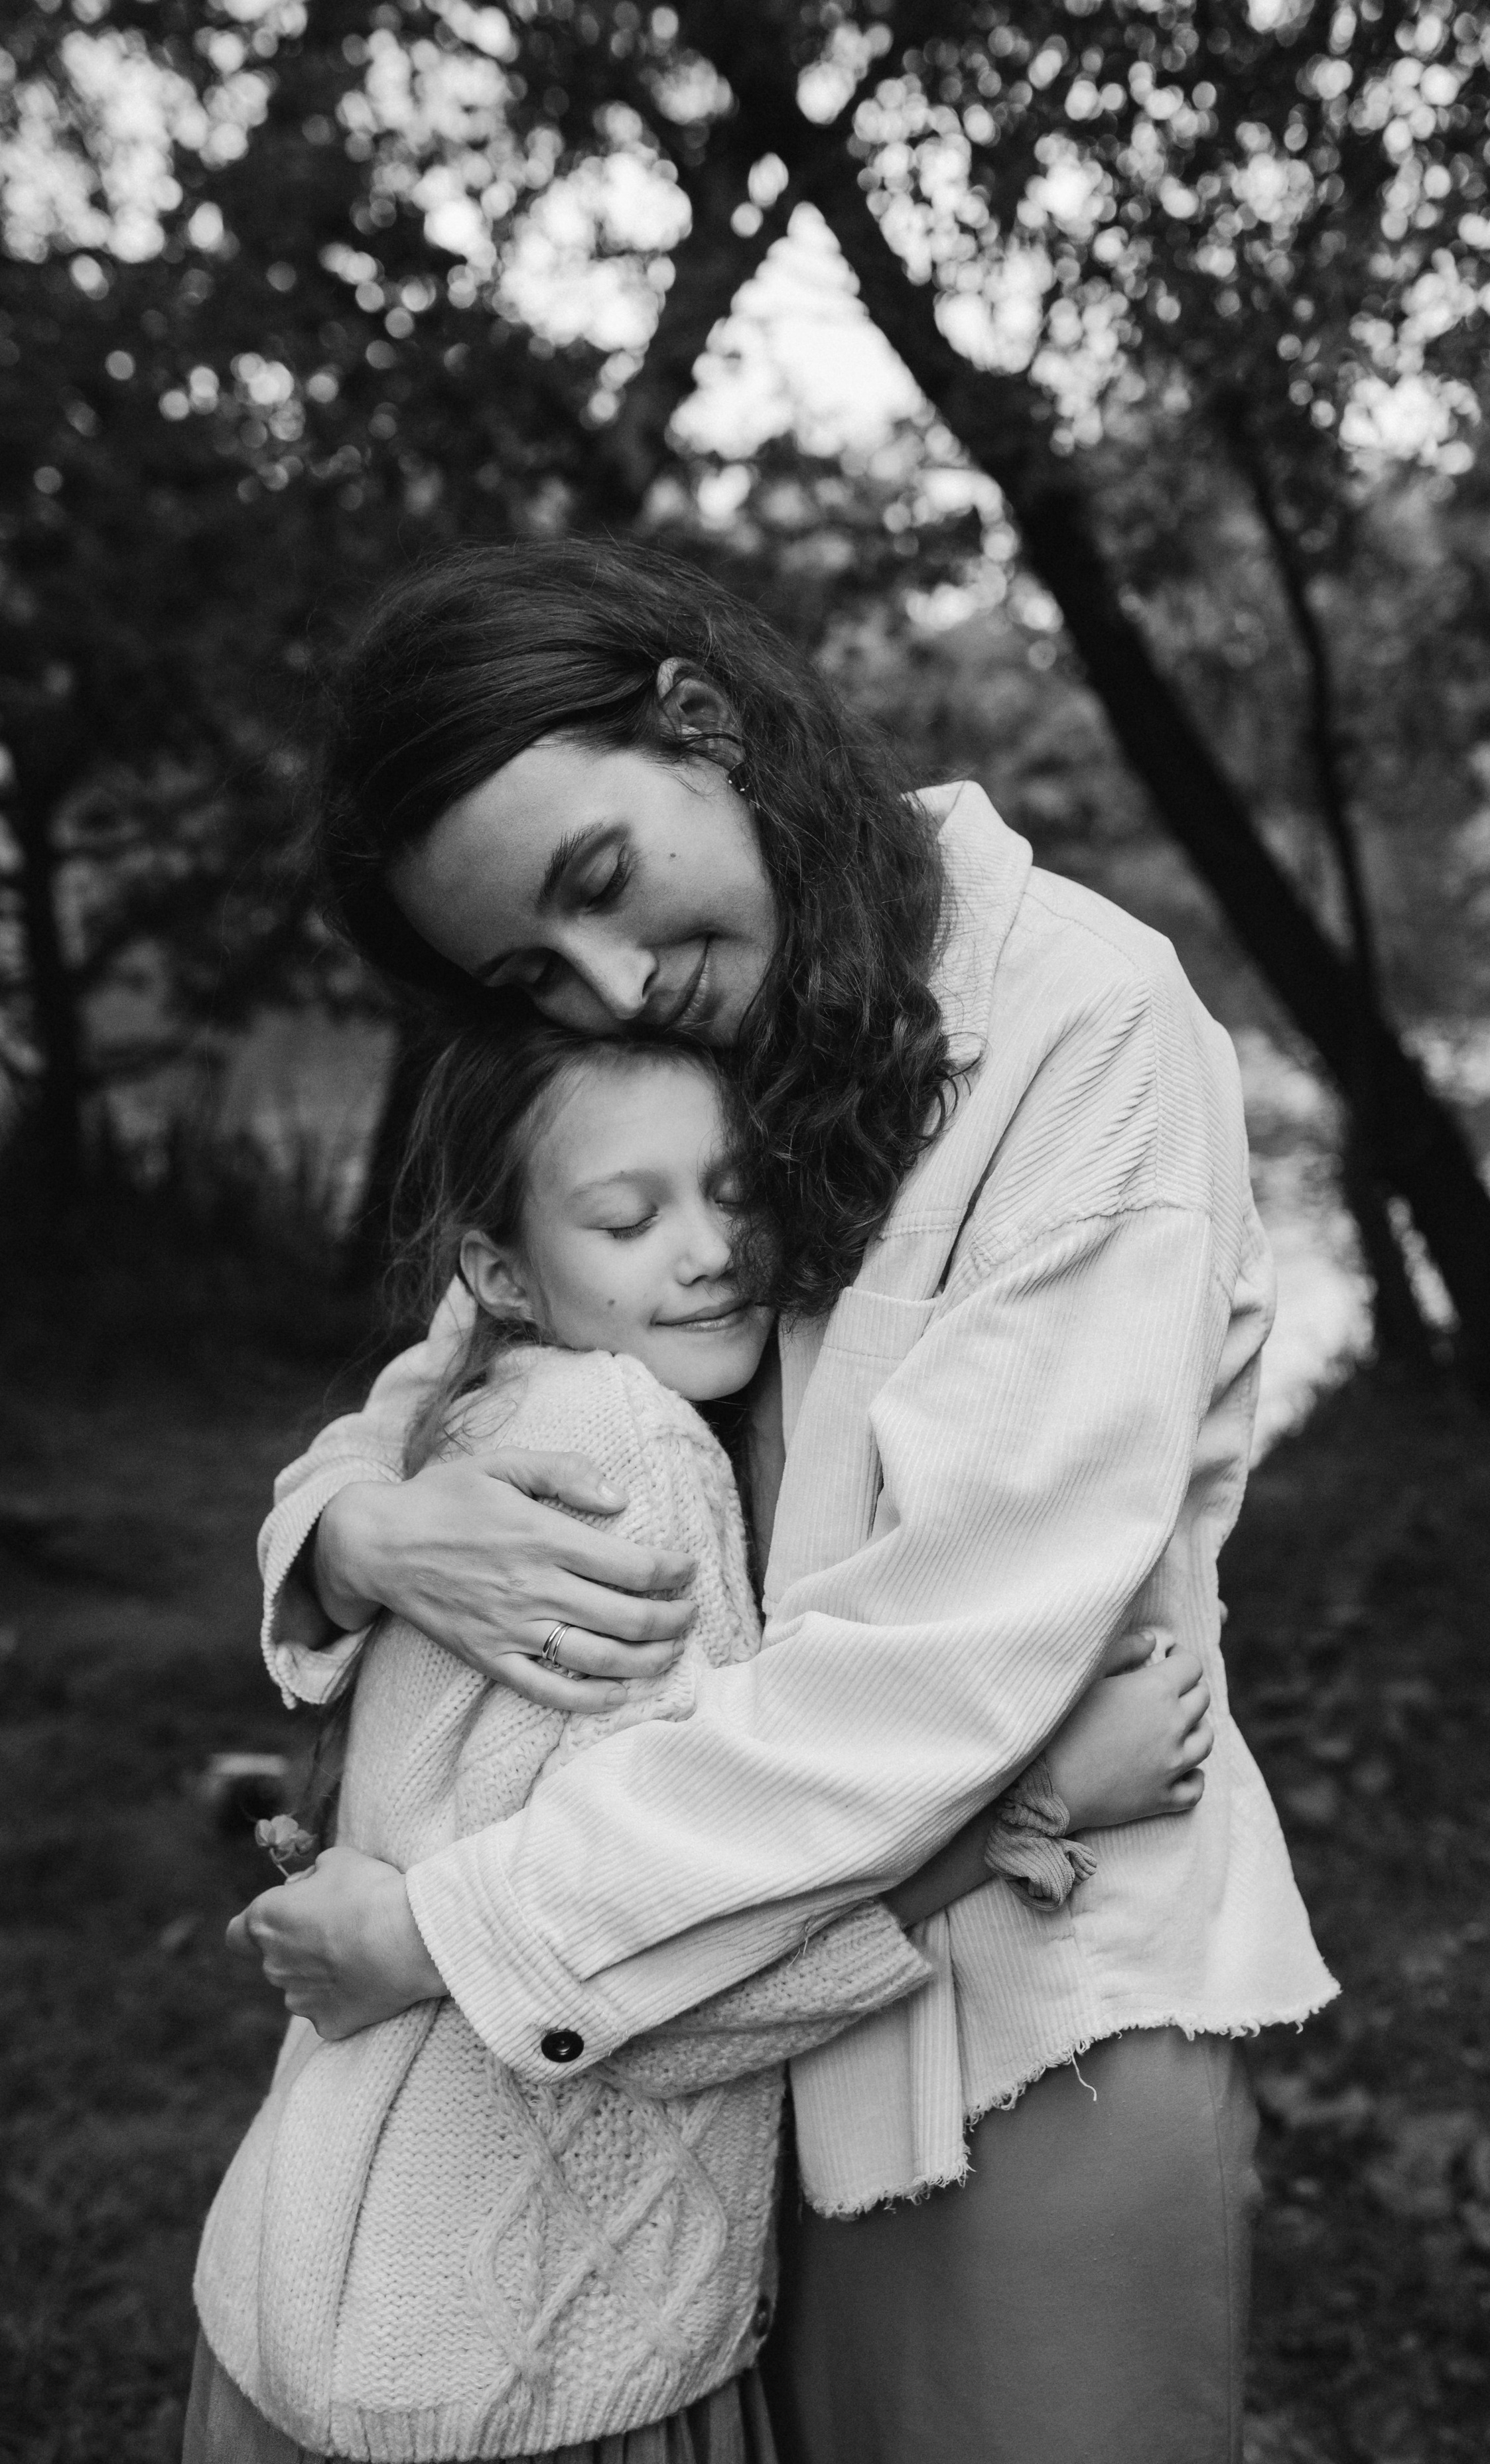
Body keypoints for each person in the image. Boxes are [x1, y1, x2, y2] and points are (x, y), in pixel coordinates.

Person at [234, 539, 1337, 2464]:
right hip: (696, 2044)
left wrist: (452, 1933)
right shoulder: (689, 1034)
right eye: (529, 974)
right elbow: (454, 1367)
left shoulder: (1079, 1029)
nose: (607, 985)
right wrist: (352, 1531)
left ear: (704, 722)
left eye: (598, 880)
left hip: (1022, 2012)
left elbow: (931, 1675)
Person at [200, 1021, 1215, 2464]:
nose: (709, 1251)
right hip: (520, 2367)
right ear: (500, 1271)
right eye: (629, 1220)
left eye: (735, 1192)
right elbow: (659, 1994)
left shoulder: (498, 1394)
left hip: (327, 2280)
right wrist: (1029, 1806)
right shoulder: (635, 1459)